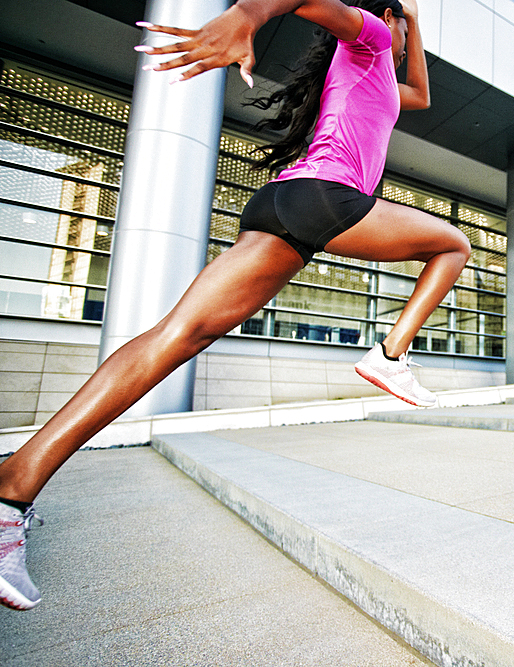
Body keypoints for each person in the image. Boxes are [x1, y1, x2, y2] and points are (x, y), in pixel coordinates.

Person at [0, 0, 470, 611]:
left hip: (281, 204)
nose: (405, 42)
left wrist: (416, 20)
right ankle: (390, 355)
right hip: (326, 198)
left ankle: (13, 487)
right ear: (385, 17)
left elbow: (421, 97)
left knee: (174, 336)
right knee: (454, 245)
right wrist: (248, 14)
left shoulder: (375, 72)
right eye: (401, 26)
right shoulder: (372, 37)